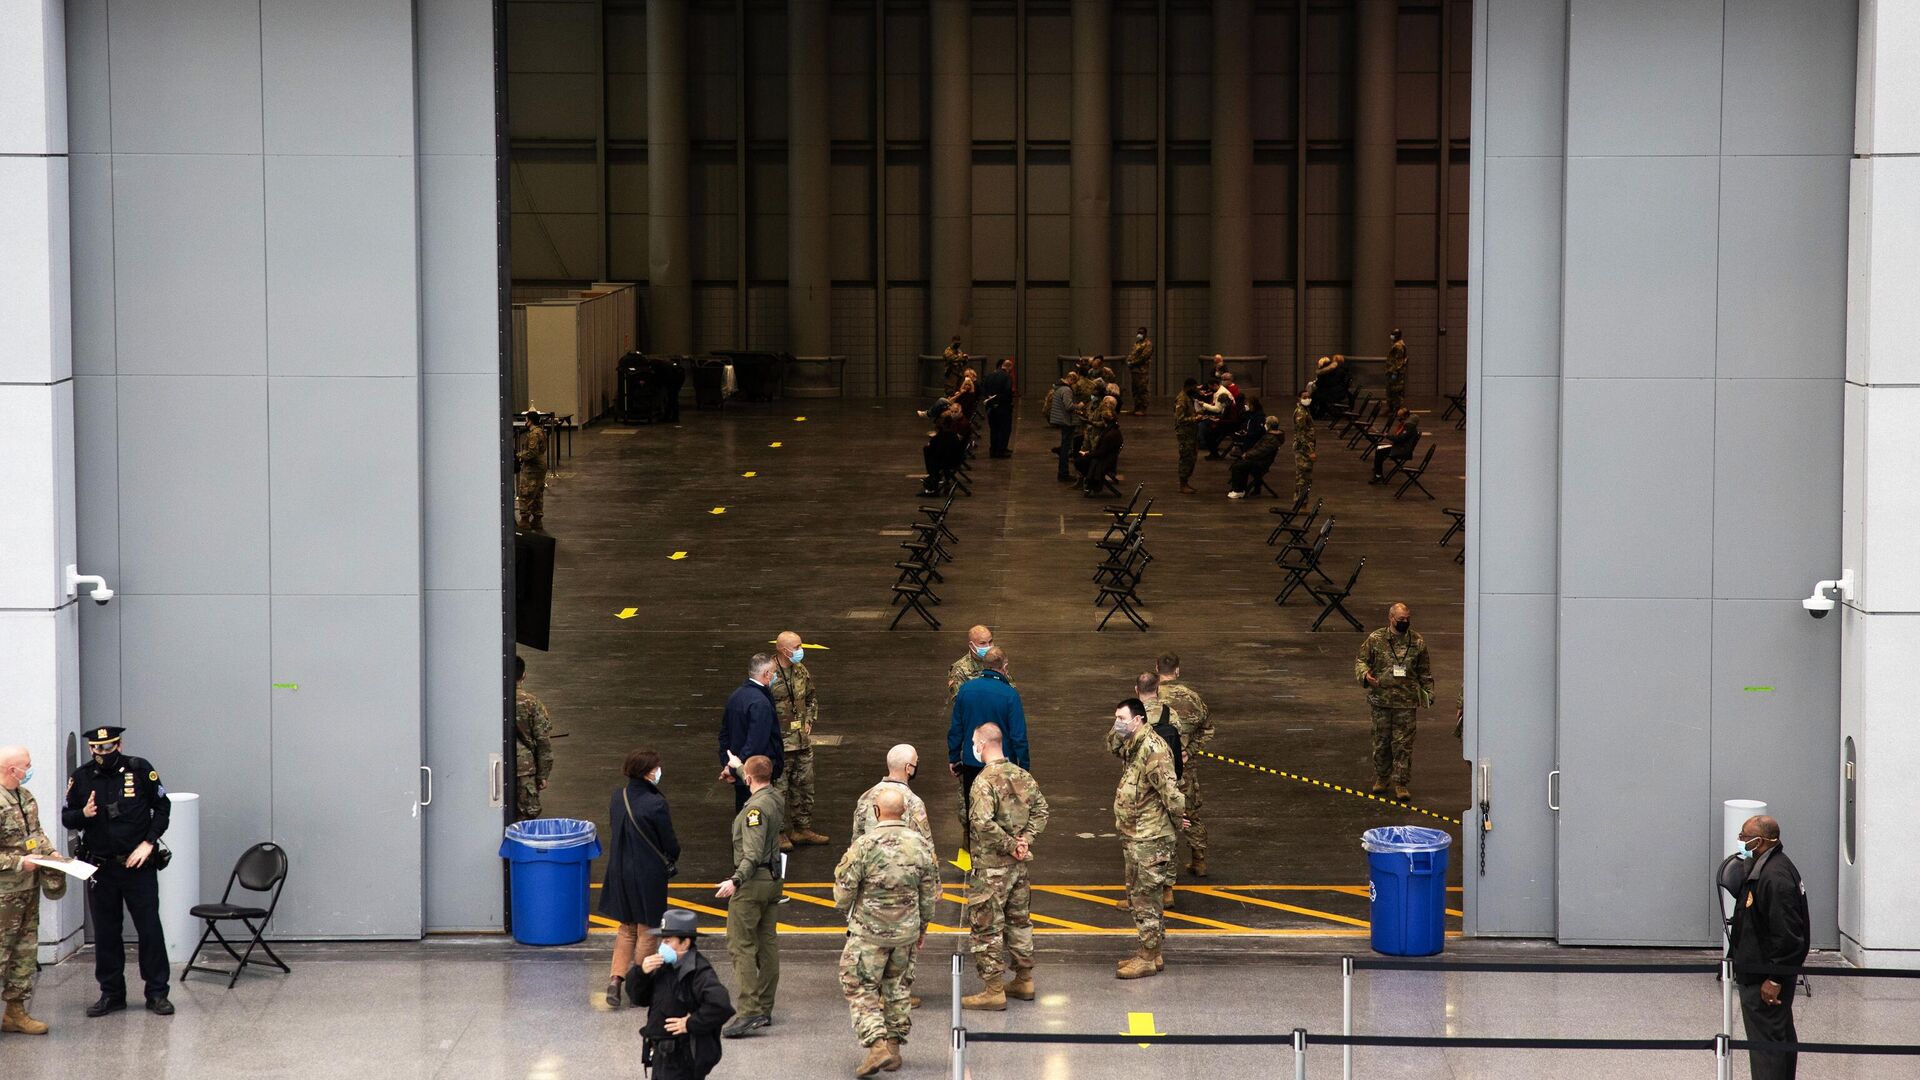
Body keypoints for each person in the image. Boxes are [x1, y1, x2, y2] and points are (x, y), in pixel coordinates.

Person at [63, 726, 172, 1016]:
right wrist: (82, 815)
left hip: (137, 866)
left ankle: (157, 993)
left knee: (149, 929)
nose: (104, 753)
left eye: (109, 747)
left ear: (119, 745)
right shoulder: (82, 777)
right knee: (106, 933)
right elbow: (67, 817)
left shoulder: (139, 769)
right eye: (98, 749)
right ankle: (112, 994)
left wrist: (148, 843)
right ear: (90, 749)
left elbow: (162, 807)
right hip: (99, 867)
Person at [833, 787, 939, 1076]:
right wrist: (921, 928)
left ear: (876, 812)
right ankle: (894, 1048)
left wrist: (850, 911)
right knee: (898, 988)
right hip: (906, 932)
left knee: (857, 985)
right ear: (904, 812)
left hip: (869, 933)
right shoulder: (920, 846)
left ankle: (876, 1044)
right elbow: (929, 893)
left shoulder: (865, 845)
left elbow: (842, 893)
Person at [959, 722, 1049, 1011]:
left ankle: (993, 989)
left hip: (991, 868)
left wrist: (1011, 845)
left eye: (975, 742)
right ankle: (1024, 979)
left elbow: (982, 823)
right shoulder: (1022, 775)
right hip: (1019, 867)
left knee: (986, 927)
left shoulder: (984, 782)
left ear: (982, 745)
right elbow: (1042, 809)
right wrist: (1026, 840)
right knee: (1019, 922)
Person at [1105, 701, 1185, 979]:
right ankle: (1153, 952)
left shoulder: (1153, 750)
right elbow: (1111, 746)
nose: (1117, 722)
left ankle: (1147, 957)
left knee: (1145, 900)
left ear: (1137, 719)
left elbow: (1171, 794)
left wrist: (1176, 821)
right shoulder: (1134, 744)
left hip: (1150, 836)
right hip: (1136, 834)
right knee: (1141, 896)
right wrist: (1118, 730)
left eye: (1121, 718)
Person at [1729, 815, 1810, 1080]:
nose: (1741, 841)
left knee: (1767, 1049)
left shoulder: (1775, 877)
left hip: (1765, 979)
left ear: (1759, 841)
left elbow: (1788, 935)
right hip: (1760, 972)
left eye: (1744, 837)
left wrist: (1775, 978)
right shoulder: (1767, 868)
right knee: (1778, 1040)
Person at [601, 749, 681, 1008]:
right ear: (649, 772)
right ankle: (640, 984)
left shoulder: (617, 797)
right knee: (647, 929)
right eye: (657, 767)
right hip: (648, 875)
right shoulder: (655, 803)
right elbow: (669, 843)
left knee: (626, 928)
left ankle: (615, 980)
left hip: (619, 871)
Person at [625, 909, 736, 1080]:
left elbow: (721, 1006)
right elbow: (639, 998)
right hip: (662, 1055)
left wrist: (691, 1023)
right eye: (663, 940)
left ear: (685, 943)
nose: (663, 945)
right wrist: (641, 973)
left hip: (681, 1057)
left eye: (668, 941)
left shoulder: (699, 971)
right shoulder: (663, 965)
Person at [716, 755, 783, 1038]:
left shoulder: (754, 811)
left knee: (741, 945)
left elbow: (752, 854)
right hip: (772, 882)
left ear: (749, 780)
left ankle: (749, 1011)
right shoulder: (775, 796)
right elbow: (756, 775)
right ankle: (764, 1008)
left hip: (753, 883)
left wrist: (735, 880)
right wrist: (739, 764)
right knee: (767, 944)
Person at [0, 746, 63, 1034]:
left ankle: (15, 1013)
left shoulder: (25, 797)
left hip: (28, 891)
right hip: (4, 895)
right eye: (26, 765)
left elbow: (35, 835)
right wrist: (16, 863)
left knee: (24, 952)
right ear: (11, 770)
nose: (30, 769)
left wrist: (51, 853)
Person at [1354, 603, 1434, 800]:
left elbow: (1424, 671)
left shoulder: (1417, 642)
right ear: (1391, 618)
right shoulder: (1376, 639)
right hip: (1380, 700)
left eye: (1407, 619)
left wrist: (1428, 695)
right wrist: (1365, 676)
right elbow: (1361, 661)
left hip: (1406, 702)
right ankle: (1382, 778)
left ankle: (1401, 783)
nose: (1405, 622)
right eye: (1401, 620)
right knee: (1381, 742)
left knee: (1403, 744)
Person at [948, 647, 1029, 841]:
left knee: (974, 814)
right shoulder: (1010, 695)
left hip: (971, 764)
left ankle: (972, 863)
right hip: (1002, 766)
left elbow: (956, 727)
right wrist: (1024, 768)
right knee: (1003, 815)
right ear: (1005, 667)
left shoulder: (966, 690)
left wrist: (953, 757)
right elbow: (1019, 736)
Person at [1154, 655, 1215, 877]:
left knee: (1161, 817)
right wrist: (1188, 751)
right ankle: (1199, 860)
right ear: (1177, 671)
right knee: (1191, 812)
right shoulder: (1192, 697)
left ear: (1157, 669)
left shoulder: (1152, 699)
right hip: (1185, 767)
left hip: (1158, 768)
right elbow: (1207, 728)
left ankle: (1166, 875)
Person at [770, 631, 828, 850]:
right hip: (780, 744)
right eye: (797, 646)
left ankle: (801, 829)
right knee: (778, 790)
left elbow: (811, 697)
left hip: (802, 741)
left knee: (804, 786)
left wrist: (810, 719)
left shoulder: (801, 670)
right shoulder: (770, 673)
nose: (800, 650)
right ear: (783, 650)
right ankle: (777, 833)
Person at [719, 654, 784, 812]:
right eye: (774, 672)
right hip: (755, 773)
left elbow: (724, 735)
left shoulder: (736, 695)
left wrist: (728, 765)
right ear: (767, 674)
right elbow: (756, 742)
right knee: (757, 819)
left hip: (740, 771)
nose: (776, 676)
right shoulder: (760, 702)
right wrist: (736, 767)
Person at [853, 745, 933, 844]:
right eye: (916, 762)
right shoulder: (914, 802)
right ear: (908, 768)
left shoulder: (866, 796)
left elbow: (857, 840)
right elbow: (926, 845)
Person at [513, 655, 554, 820]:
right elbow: (543, 741)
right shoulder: (532, 703)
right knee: (525, 820)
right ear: (524, 675)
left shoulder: (488, 700)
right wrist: (543, 774)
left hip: (491, 767)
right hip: (524, 769)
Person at [1226, 416, 1286, 499]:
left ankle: (1238, 490)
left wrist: (1247, 455)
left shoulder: (1272, 439)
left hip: (1262, 462)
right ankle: (1240, 489)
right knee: (1240, 464)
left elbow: (1261, 451)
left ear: (1268, 425)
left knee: (1238, 466)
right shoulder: (1270, 436)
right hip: (1259, 459)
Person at [1076, 408, 1124, 498]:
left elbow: (1101, 453)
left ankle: (1091, 481)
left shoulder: (1109, 435)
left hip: (1104, 462)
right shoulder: (1114, 430)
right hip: (1108, 458)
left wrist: (1087, 454)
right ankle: (1091, 482)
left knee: (1079, 462)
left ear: (1104, 420)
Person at [514, 409, 549, 530]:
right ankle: (537, 520)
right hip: (540, 465)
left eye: (526, 419)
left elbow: (532, 452)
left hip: (532, 467)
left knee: (526, 492)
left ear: (530, 421)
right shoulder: (540, 431)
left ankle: (524, 520)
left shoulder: (533, 434)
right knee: (538, 492)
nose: (525, 421)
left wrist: (519, 456)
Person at [946, 625, 997, 706]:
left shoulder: (996, 660)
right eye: (983, 643)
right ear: (971, 645)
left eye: (990, 642)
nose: (988, 646)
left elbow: (1010, 687)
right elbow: (960, 704)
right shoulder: (959, 669)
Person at [1370, 407, 1420, 483]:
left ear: (1405, 417)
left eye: (1400, 418)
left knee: (1379, 450)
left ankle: (1378, 475)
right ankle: (1377, 471)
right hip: (1402, 447)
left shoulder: (1409, 426)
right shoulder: (1409, 425)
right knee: (1379, 449)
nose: (1399, 420)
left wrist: (1388, 436)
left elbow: (1400, 439)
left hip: (1402, 450)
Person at [1047, 374, 1077, 482]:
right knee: (1065, 448)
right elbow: (1069, 406)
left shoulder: (1058, 388)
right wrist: (1079, 406)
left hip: (1060, 420)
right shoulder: (1067, 390)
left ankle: (1062, 473)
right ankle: (1064, 473)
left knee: (1064, 447)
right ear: (1071, 380)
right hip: (1067, 421)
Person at [982, 359, 1015, 458]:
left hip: (991, 408)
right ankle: (1001, 451)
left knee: (994, 429)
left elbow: (983, 389)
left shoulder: (989, 376)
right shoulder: (1007, 377)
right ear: (1009, 368)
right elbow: (1007, 392)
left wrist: (990, 399)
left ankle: (993, 450)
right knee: (1004, 429)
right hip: (1003, 407)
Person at [1173, 377, 1200, 495]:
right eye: (1194, 388)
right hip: (1185, 434)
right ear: (1188, 387)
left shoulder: (1188, 397)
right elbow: (1180, 419)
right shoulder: (1181, 399)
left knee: (1191, 458)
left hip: (1191, 433)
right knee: (1186, 458)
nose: (1195, 390)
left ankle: (1186, 482)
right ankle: (1182, 484)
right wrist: (1195, 419)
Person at [1293, 386, 1317, 503]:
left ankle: (1302, 500)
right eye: (1304, 397)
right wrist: (1310, 451)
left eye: (1308, 397)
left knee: (1305, 476)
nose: (1307, 399)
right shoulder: (1301, 413)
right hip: (1303, 449)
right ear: (1299, 399)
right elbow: (1301, 434)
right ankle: (1301, 501)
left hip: (1306, 447)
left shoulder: (1305, 410)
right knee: (1303, 476)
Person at [1125, 327, 1153, 415]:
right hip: (1135, 371)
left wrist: (1133, 363)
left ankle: (1143, 409)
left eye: (1141, 333)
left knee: (1142, 389)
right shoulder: (1137, 343)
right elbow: (1132, 354)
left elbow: (1144, 357)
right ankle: (1136, 408)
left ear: (1145, 334)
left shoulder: (1147, 344)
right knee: (1135, 390)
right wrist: (1129, 361)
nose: (1139, 334)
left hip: (1142, 371)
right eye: (1138, 333)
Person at [1384, 328, 1408, 415]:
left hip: (1396, 372)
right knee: (1390, 391)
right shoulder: (1396, 344)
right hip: (1391, 371)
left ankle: (1397, 409)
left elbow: (1399, 360)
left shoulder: (1399, 346)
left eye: (1393, 334)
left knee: (1396, 391)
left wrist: (1395, 372)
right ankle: (1391, 408)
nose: (1391, 336)